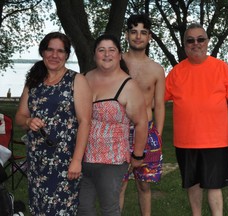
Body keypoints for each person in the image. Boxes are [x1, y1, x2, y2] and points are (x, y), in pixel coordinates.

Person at [164, 23, 228, 216]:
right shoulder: (176, 72)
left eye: (200, 39)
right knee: (192, 184)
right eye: (190, 40)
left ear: (207, 42)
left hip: (215, 140)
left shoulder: (221, 67)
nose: (196, 44)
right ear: (185, 45)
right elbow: (158, 99)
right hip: (185, 141)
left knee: (214, 184)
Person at [15, 32, 92, 215]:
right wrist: (28, 120)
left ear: (66, 55)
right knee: (39, 209)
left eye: (60, 51)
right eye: (50, 49)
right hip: (37, 161)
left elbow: (85, 122)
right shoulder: (33, 80)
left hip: (65, 161)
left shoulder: (77, 80)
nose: (54, 55)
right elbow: (19, 116)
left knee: (62, 210)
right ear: (43, 51)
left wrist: (76, 160)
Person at [77, 34, 148, 216]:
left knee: (109, 208)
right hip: (81, 157)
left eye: (112, 50)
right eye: (101, 50)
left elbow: (141, 123)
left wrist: (137, 156)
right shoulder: (82, 79)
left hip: (112, 160)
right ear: (94, 55)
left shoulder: (128, 86)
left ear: (119, 55)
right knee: (83, 208)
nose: (106, 54)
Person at [119, 14, 166, 216]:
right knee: (118, 186)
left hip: (147, 132)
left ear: (149, 37)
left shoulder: (157, 69)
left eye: (143, 33)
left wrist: (158, 134)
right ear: (127, 34)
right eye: (134, 32)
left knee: (144, 186)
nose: (138, 37)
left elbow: (160, 105)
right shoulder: (115, 61)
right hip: (118, 131)